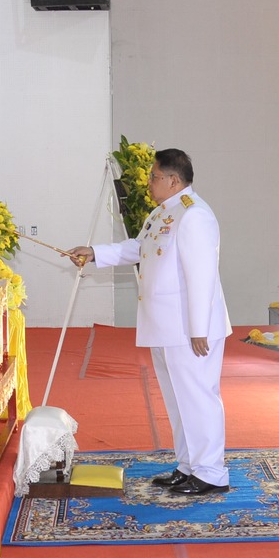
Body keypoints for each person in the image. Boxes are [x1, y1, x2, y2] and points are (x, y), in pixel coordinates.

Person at [69, 149, 232, 495]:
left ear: (173, 181)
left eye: (154, 176)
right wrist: (95, 252)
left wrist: (198, 328)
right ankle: (189, 465)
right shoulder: (162, 213)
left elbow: (201, 276)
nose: (148, 182)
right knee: (178, 400)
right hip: (166, 326)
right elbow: (139, 250)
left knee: (199, 397)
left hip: (190, 328)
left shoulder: (194, 216)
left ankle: (211, 473)